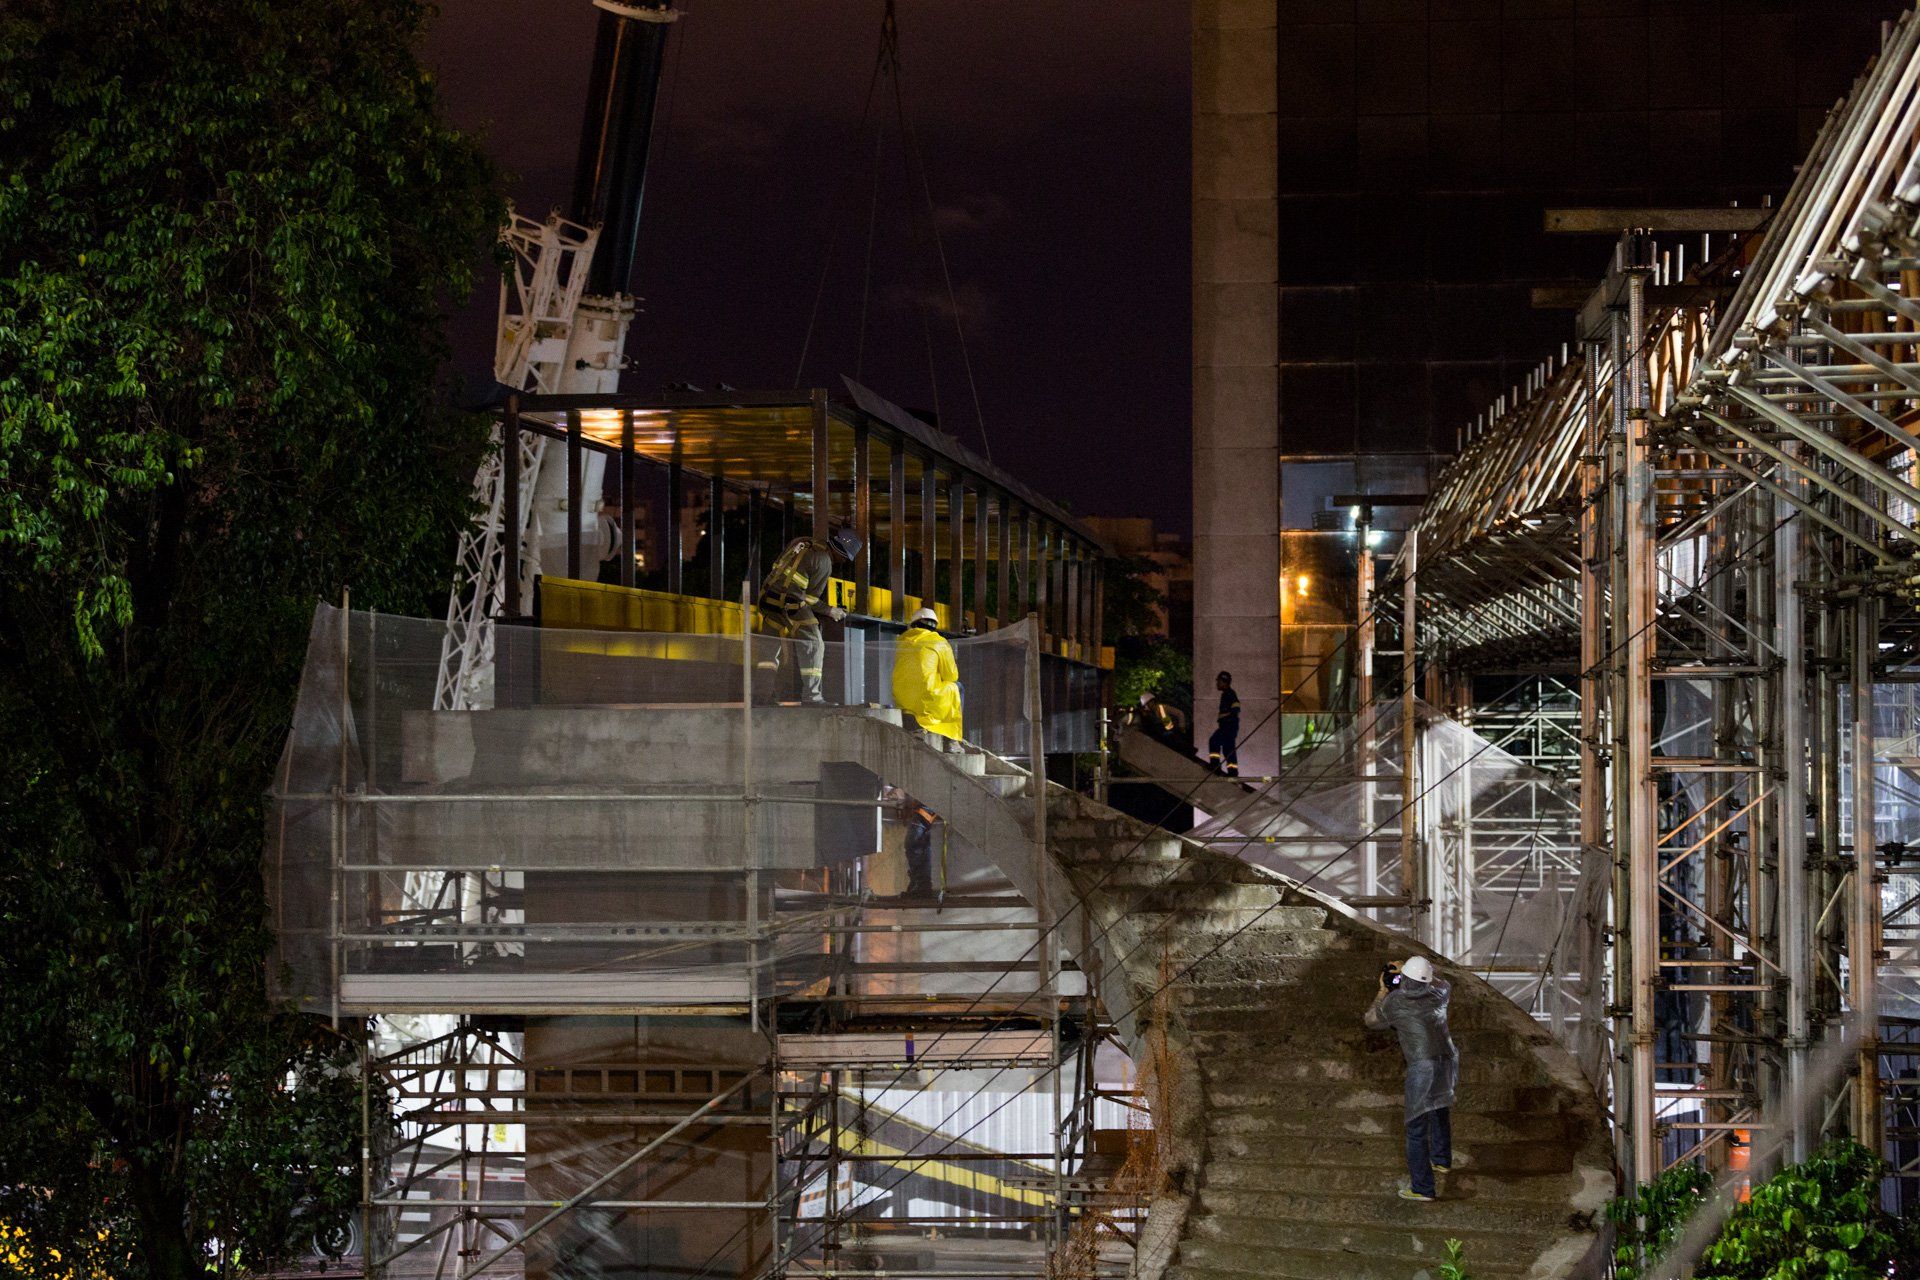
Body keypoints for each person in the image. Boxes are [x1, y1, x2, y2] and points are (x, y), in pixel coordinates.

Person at [1363, 954, 1460, 1202]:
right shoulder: (1441, 992)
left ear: (1404, 978)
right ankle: (1441, 1161)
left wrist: (1383, 990)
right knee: (1439, 1109)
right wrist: (1412, 971)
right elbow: (1439, 981)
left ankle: (1422, 1188)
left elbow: (1370, 1020)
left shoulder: (1396, 1001)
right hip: (1448, 1061)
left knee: (1416, 1128)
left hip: (1423, 1067)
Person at [757, 527, 862, 704]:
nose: (843, 562)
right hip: (791, 605)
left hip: (767, 599)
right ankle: (812, 697)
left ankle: (762, 696)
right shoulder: (825, 562)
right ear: (842, 554)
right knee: (814, 644)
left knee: (769, 649)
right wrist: (830, 610)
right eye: (845, 558)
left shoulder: (802, 541)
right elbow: (810, 598)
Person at [891, 606, 963, 741]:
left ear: (913, 624)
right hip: (926, 700)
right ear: (935, 626)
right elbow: (951, 676)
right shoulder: (939, 642)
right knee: (957, 687)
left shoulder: (901, 642)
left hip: (902, 699)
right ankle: (952, 740)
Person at [1208, 670, 1241, 776]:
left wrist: (1228, 717)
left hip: (1228, 726)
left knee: (1214, 741)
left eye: (1219, 681)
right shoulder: (1226, 694)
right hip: (1229, 726)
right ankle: (1232, 772)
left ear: (1224, 682)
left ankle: (1215, 766)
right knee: (1228, 750)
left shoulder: (1229, 694)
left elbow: (1236, 707)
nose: (1217, 683)